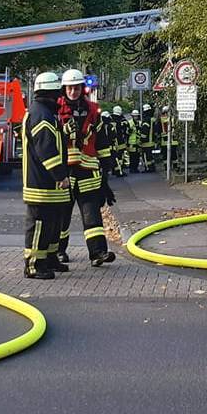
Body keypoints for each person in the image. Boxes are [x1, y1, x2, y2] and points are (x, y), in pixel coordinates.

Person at [55, 68, 117, 267]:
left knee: (92, 214)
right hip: (64, 173)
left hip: (89, 171)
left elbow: (102, 142)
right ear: (64, 89)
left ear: (83, 89)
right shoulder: (56, 110)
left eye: (77, 88)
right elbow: (49, 140)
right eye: (70, 88)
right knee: (62, 216)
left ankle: (98, 253)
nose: (73, 91)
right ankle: (58, 252)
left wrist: (106, 176)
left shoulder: (93, 110)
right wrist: (63, 132)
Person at [21, 72, 68, 280]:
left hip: (49, 184)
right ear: (50, 92)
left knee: (53, 222)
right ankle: (33, 265)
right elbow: (46, 149)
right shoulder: (41, 114)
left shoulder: (45, 112)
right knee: (40, 223)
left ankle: (49, 258)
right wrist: (60, 175)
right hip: (41, 183)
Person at [110, 106, 129, 177]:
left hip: (112, 142)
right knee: (119, 157)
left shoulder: (110, 119)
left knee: (114, 156)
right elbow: (126, 126)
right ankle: (119, 171)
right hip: (120, 141)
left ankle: (114, 170)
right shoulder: (121, 120)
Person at [138, 103, 156, 172]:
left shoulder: (145, 121)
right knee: (150, 156)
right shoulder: (153, 120)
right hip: (152, 141)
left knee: (145, 156)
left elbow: (144, 133)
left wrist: (141, 141)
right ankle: (152, 167)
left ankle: (148, 168)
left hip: (146, 143)